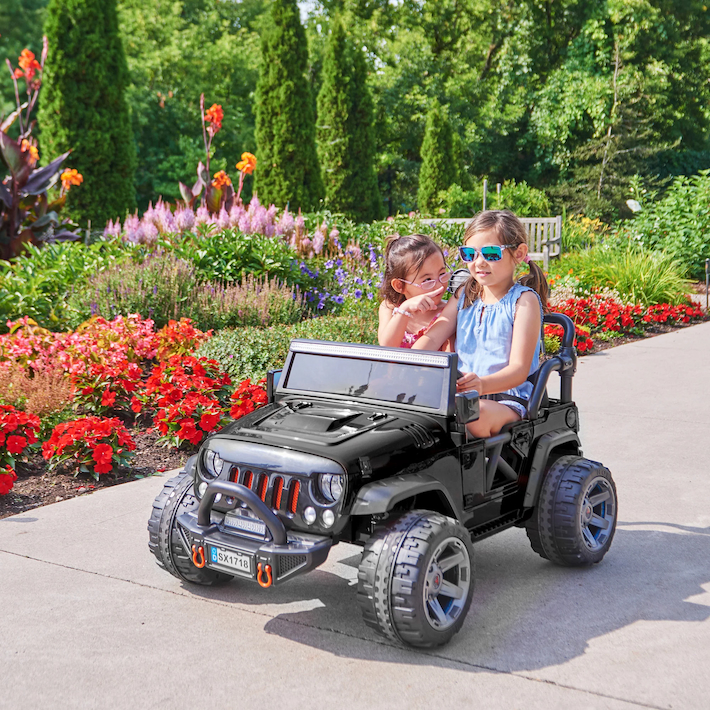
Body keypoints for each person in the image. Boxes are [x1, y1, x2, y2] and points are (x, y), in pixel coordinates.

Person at [413, 210, 548, 437]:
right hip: (462, 395)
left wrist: (482, 386)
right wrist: (408, 361)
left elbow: (518, 370)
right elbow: (433, 337)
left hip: (507, 399)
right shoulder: (465, 295)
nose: (479, 263)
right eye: (470, 254)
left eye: (491, 253)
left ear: (519, 253)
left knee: (468, 416)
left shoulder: (524, 301)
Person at [378, 233, 454, 351]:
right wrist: (405, 309)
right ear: (399, 285)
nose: (439, 285)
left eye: (442, 274)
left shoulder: (447, 313)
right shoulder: (389, 308)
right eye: (427, 280)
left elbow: (448, 360)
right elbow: (387, 347)